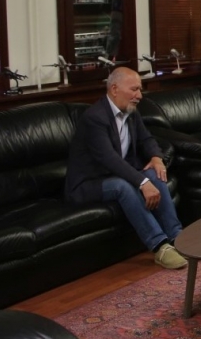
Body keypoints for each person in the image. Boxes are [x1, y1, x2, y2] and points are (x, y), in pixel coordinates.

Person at [64, 67, 187, 269]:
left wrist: (156, 158)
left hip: (116, 175)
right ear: (114, 89)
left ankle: (177, 237)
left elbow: (147, 139)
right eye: (134, 89)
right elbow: (109, 159)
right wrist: (142, 182)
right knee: (123, 185)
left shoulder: (131, 112)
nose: (139, 95)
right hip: (88, 183)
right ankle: (159, 246)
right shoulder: (95, 118)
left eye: (140, 89)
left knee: (155, 173)